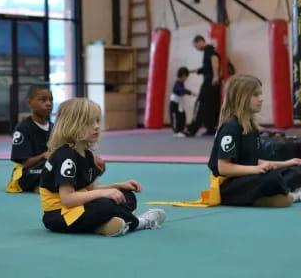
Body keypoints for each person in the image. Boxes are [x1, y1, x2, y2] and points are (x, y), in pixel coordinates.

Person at [39, 97, 165, 237]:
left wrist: (117, 185)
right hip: (60, 216)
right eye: (88, 122)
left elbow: (90, 190)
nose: (96, 126)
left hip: (79, 209)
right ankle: (140, 222)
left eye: (97, 121)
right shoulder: (65, 157)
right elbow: (68, 200)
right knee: (105, 206)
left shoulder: (86, 154)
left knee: (125, 194)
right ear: (71, 126)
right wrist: (103, 193)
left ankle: (104, 225)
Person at [208, 74, 301, 207]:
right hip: (230, 186)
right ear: (241, 97)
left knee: (296, 170)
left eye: (261, 94)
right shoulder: (230, 127)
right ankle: (292, 196)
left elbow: (252, 160)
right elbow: (224, 167)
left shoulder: (251, 127)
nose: (261, 99)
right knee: (272, 178)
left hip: (248, 177)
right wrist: (256, 169)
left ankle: (276, 195)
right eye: (256, 95)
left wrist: (287, 163)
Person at [185, 35, 221, 136]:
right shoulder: (211, 50)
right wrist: (190, 71)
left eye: (195, 46)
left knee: (200, 104)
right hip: (214, 83)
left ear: (199, 42)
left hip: (210, 81)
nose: (196, 48)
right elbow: (205, 68)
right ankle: (211, 129)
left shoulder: (208, 49)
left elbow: (214, 60)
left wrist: (215, 76)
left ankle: (191, 130)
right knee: (211, 106)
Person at [170, 66, 196, 138]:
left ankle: (181, 130)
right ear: (184, 75)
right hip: (174, 103)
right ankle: (176, 131)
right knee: (175, 117)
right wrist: (190, 92)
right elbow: (181, 90)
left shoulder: (180, 83)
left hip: (179, 103)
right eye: (186, 77)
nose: (186, 79)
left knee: (182, 116)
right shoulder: (177, 84)